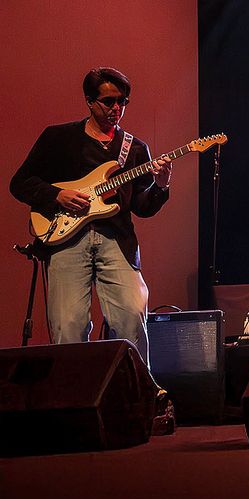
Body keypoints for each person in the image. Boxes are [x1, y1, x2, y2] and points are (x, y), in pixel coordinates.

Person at [9, 67, 172, 364]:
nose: (116, 109)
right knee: (67, 326)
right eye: (108, 101)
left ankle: (137, 396)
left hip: (117, 241)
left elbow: (142, 206)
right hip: (67, 241)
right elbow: (19, 183)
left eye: (122, 101)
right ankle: (75, 400)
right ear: (89, 100)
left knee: (132, 318)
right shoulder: (58, 138)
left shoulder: (135, 148)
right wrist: (56, 195)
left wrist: (161, 187)